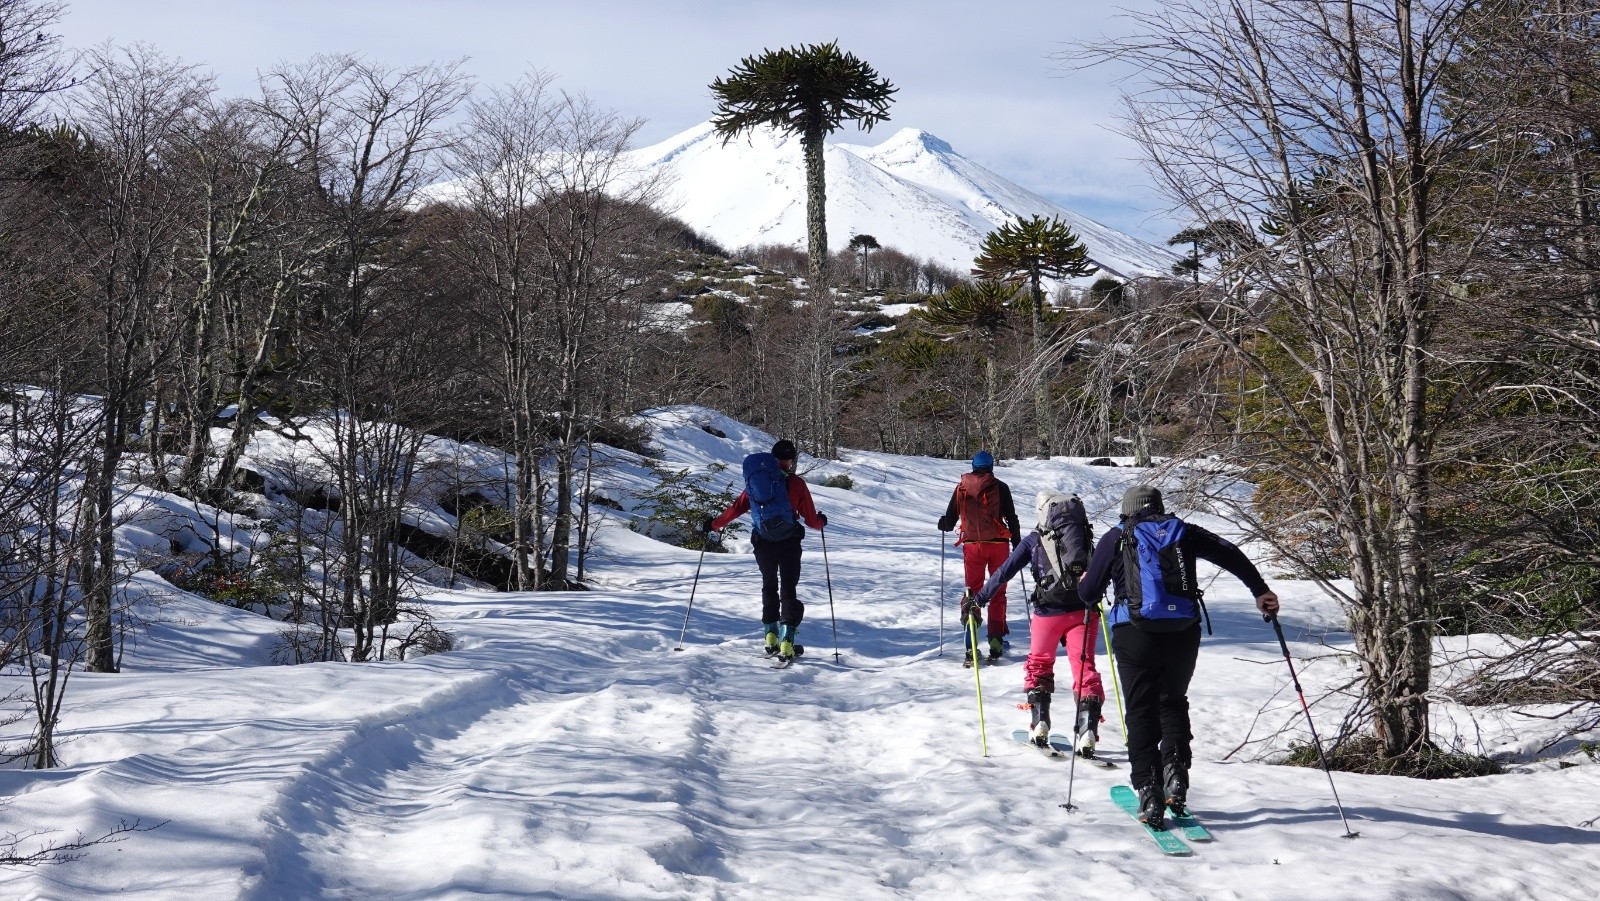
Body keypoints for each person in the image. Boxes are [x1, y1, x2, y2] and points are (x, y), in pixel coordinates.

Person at [1077, 484, 1280, 830]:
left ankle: (1148, 788)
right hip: (1183, 632)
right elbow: (1229, 552)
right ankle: (1175, 773)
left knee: (1141, 710)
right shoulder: (1184, 531)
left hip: (1134, 633)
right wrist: (1260, 590)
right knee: (1172, 700)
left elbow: (1088, 593)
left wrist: (1085, 580)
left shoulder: (1117, 536)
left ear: (1128, 510)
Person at [968, 492, 1105, 758]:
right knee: (1085, 667)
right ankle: (1087, 729)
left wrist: (979, 599)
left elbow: (1004, 571)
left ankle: (1039, 721)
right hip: (1084, 612)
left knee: (1039, 665)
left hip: (1048, 612)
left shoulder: (1035, 539)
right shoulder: (1083, 536)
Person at [704, 439, 827, 662]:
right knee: (788, 587)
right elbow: (811, 519)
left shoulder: (755, 484)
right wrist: (821, 522)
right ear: (790, 460)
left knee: (769, 585)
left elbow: (735, 510)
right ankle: (787, 641)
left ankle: (770, 636)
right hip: (789, 542)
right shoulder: (796, 483)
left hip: (763, 542)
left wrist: (713, 525)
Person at [937, 450, 1021, 666]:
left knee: (971, 590)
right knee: (998, 591)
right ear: (991, 466)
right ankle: (995, 639)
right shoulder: (1000, 487)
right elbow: (1011, 517)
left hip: (972, 545)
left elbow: (949, 520)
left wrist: (943, 523)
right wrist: (1018, 543)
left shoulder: (962, 487)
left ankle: (970, 639)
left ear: (973, 466)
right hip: (999, 546)